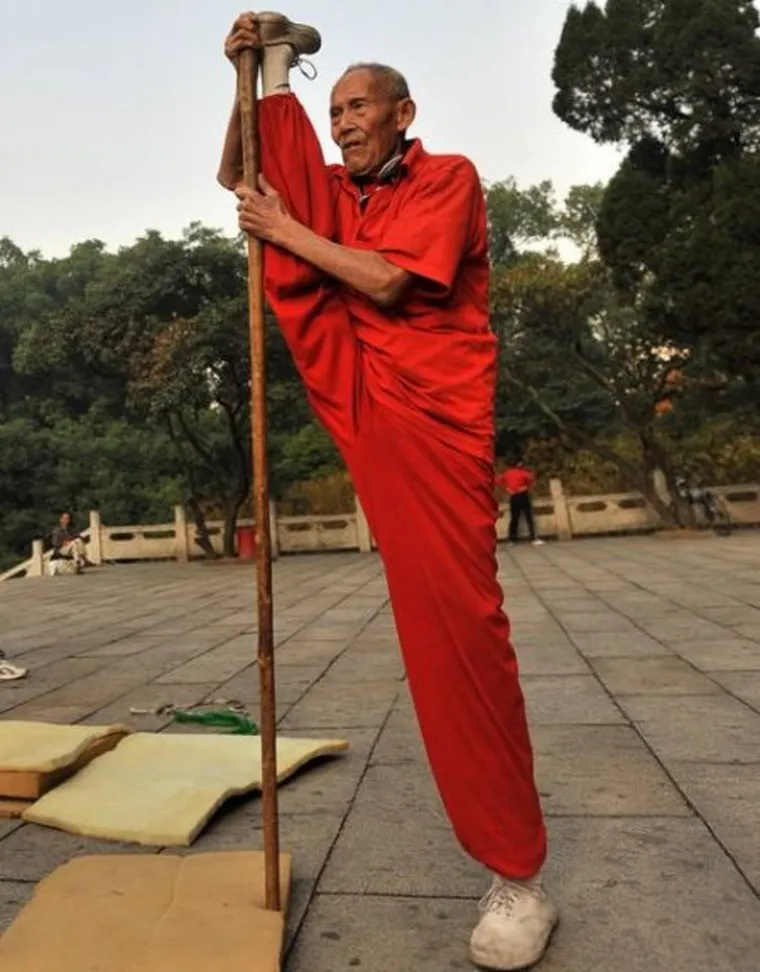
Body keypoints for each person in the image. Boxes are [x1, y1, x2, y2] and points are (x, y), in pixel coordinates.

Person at [219, 14, 558, 969]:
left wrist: (286, 228)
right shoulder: (333, 191)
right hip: (353, 378)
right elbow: (243, 175)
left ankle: (519, 876)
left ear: (403, 114)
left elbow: (386, 283)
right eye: (332, 112)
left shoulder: (447, 177)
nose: (344, 125)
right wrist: (251, 78)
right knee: (283, 201)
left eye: (358, 107)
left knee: (456, 625)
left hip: (432, 416)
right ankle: (279, 65)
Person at [496, 462, 545, 546]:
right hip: (523, 495)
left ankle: (512, 540)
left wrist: (507, 488)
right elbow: (532, 479)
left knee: (514, 519)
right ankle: (533, 538)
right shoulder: (523, 472)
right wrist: (526, 487)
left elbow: (497, 480)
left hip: (513, 496)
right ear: (519, 464)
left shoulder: (507, 473)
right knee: (529, 517)